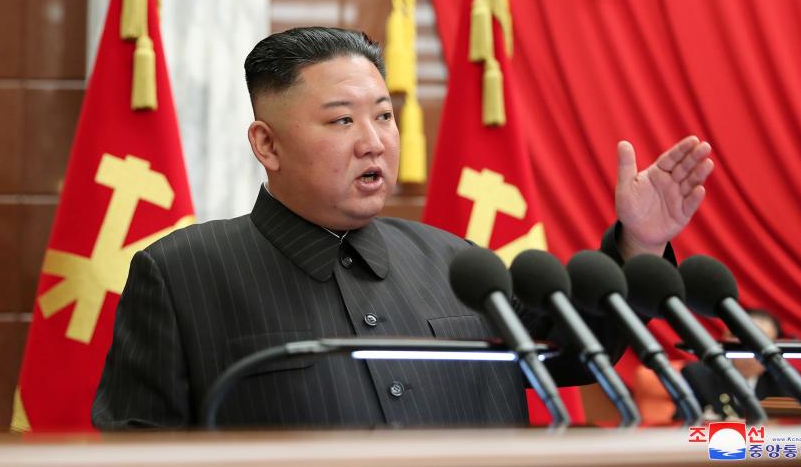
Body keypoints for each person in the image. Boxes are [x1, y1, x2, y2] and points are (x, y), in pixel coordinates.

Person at [92, 26, 714, 429]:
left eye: (384, 116)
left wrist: (639, 243)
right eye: (341, 122)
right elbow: (137, 444)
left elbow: (578, 354)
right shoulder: (182, 274)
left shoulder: (460, 265)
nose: (373, 142)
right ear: (267, 143)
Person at [681, 309, 786, 420]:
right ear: (729, 338)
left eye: (762, 343)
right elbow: (681, 423)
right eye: (746, 341)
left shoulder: (779, 379)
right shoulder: (697, 375)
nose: (753, 350)